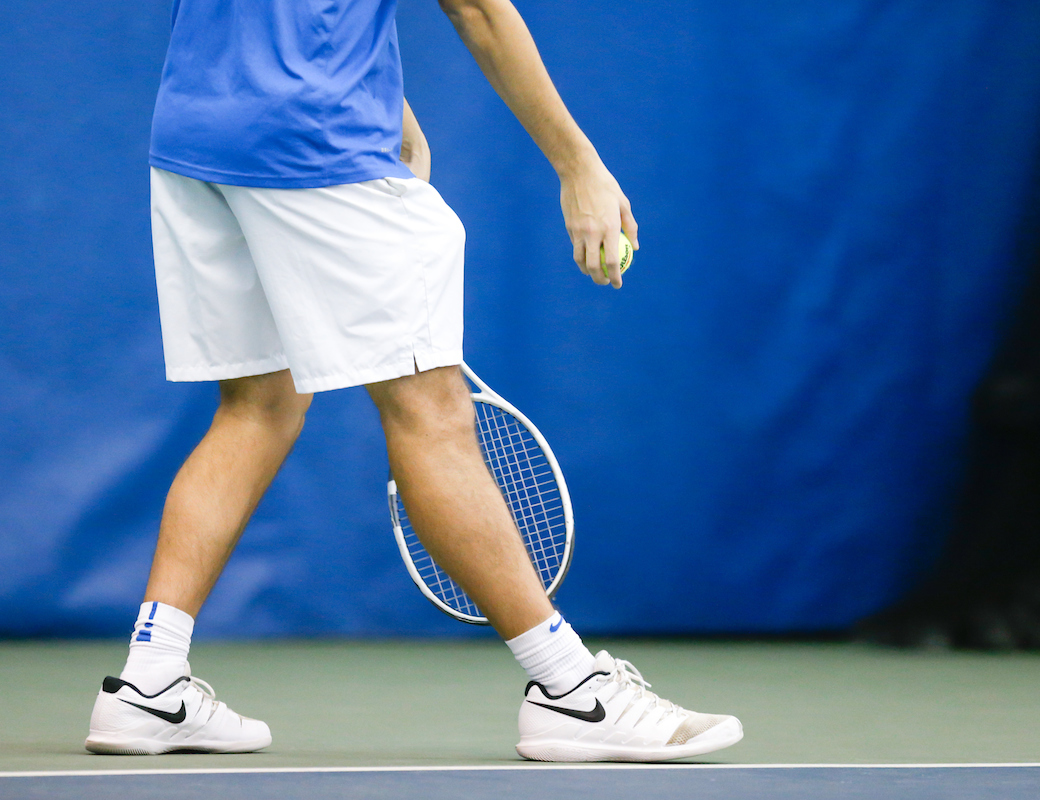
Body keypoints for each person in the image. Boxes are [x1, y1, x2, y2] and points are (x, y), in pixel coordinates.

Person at [85, 0, 743, 762]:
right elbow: (477, 8)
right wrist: (579, 165)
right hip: (316, 140)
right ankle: (571, 690)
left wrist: (381, 98)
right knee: (431, 413)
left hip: (197, 136)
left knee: (257, 409)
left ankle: (150, 683)